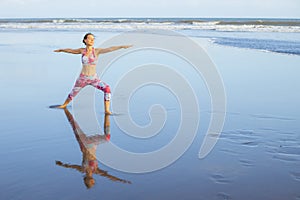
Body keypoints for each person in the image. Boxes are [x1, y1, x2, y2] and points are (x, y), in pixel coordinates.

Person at [53, 33, 132, 114]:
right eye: (90, 39)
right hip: (82, 79)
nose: (92, 40)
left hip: (94, 79)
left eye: (93, 39)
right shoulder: (82, 50)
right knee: (73, 93)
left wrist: (121, 46)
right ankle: (64, 105)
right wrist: (62, 50)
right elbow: (71, 50)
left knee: (107, 89)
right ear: (85, 40)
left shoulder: (97, 51)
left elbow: (110, 49)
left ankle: (107, 110)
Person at [56, 108, 131, 189]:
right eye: (93, 182)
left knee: (74, 124)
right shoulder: (96, 170)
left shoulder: (83, 169)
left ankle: (66, 110)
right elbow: (109, 176)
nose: (93, 181)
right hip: (91, 144)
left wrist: (63, 165)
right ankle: (107, 116)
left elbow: (71, 166)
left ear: (86, 180)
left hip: (84, 144)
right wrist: (120, 180)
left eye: (91, 182)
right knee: (107, 137)